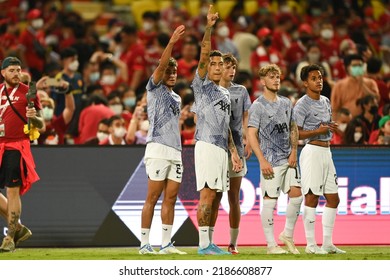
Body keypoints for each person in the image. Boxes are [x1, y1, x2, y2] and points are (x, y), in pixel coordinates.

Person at [191, 5, 242, 255]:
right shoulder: (201, 86)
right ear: (207, 68)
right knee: (208, 195)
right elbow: (203, 54)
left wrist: (233, 151)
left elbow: (227, 126)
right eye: (213, 64)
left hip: (222, 148)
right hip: (207, 145)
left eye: (221, 63)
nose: (218, 67)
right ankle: (203, 245)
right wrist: (209, 27)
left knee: (218, 196)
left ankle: (209, 242)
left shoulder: (224, 92)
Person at [138, 25, 187, 255]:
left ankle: (166, 244)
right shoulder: (154, 87)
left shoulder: (177, 98)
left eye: (174, 72)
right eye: (168, 71)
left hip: (175, 151)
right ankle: (144, 244)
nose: (172, 75)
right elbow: (161, 65)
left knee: (171, 197)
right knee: (153, 197)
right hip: (157, 148)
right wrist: (172, 43)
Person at [247, 64, 302, 255]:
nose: (276, 80)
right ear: (263, 81)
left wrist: (294, 150)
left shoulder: (286, 103)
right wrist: (261, 160)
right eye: (271, 77)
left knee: (297, 196)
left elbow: (293, 127)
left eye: (278, 76)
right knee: (270, 202)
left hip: (289, 158)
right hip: (270, 160)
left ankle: (287, 234)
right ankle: (271, 245)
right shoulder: (257, 106)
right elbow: (252, 134)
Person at [293, 64, 346, 254]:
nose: (319, 81)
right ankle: (310, 244)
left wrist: (330, 127)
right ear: (305, 82)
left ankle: (327, 243)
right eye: (314, 78)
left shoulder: (325, 101)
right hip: (312, 151)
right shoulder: (301, 104)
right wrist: (318, 131)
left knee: (333, 198)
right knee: (312, 196)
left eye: (321, 77)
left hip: (327, 151)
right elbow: (296, 133)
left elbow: (324, 126)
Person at [0, 57, 45, 252]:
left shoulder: (29, 93)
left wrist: (33, 119)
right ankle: (18, 228)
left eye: (18, 70)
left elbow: (41, 126)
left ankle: (10, 236)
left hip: (16, 147)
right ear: (3, 73)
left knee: (12, 190)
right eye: (11, 70)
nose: (16, 74)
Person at [219, 53, 252, 254]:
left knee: (234, 197)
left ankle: (233, 242)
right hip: (216, 147)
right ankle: (208, 242)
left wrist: (247, 138)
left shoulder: (241, 91)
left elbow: (245, 116)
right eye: (228, 67)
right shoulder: (210, 90)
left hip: (237, 147)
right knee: (213, 196)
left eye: (234, 68)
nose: (231, 71)